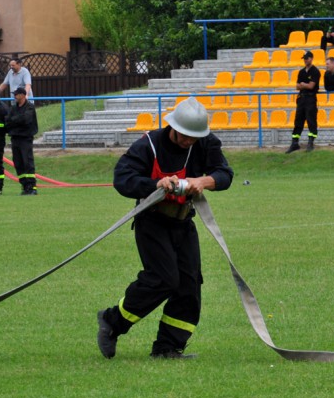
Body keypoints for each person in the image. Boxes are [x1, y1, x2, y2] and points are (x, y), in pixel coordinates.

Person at [96, 97, 234, 360]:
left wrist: (203, 181)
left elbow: (225, 175)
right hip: (152, 221)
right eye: (184, 136)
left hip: (183, 222)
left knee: (189, 285)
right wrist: (156, 184)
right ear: (173, 127)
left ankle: (168, 347)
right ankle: (112, 322)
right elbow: (122, 178)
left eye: (194, 137)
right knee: (163, 280)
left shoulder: (205, 143)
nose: (188, 142)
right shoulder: (149, 144)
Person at [5, 86, 39, 195]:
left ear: (23, 95)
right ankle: (24, 186)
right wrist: (16, 120)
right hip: (15, 138)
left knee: (27, 162)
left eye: (16, 94)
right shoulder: (14, 108)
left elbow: (26, 120)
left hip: (25, 138)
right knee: (18, 163)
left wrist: (15, 120)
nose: (14, 96)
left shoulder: (29, 107)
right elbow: (8, 121)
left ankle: (32, 187)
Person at [286, 50, 321, 153]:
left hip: (310, 98)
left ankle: (310, 142)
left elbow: (311, 86)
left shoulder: (315, 71)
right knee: (298, 120)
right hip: (301, 98)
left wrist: (303, 85)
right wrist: (304, 85)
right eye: (304, 58)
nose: (305, 60)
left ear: (311, 58)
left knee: (311, 120)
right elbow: (297, 86)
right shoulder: (301, 72)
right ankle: (295, 142)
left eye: (307, 58)